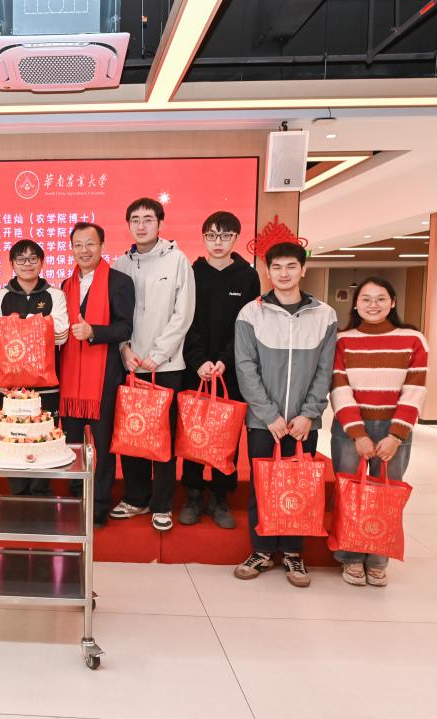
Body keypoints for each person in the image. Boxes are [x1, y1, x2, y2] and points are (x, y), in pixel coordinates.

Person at [233, 241, 337, 588]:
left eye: (291, 266)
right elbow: (245, 367)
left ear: (303, 270)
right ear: (267, 271)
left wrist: (309, 414)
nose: (284, 273)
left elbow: (325, 370)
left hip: (304, 423)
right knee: (261, 486)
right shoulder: (251, 313)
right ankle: (261, 550)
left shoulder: (324, 315)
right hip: (264, 421)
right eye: (276, 267)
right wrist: (268, 415)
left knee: (300, 487)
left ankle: (293, 552)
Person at [330, 277, 428, 588]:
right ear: (356, 304)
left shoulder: (413, 339)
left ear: (392, 302)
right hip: (350, 427)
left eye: (381, 298)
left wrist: (396, 435)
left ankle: (377, 560)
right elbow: (339, 388)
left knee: (387, 494)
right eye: (366, 299)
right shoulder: (342, 340)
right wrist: (358, 433)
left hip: (393, 428)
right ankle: (350, 556)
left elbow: (415, 390)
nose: (373, 305)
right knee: (350, 494)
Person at [110, 197, 195, 532]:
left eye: (148, 219)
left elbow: (183, 314)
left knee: (162, 438)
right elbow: (115, 314)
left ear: (160, 223)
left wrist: (158, 354)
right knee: (131, 434)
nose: (141, 225)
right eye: (135, 219)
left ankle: (162, 504)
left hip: (167, 365)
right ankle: (135, 498)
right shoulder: (121, 264)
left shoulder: (177, 260)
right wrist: (124, 349)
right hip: (130, 364)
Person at [180, 211, 260, 529]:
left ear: (236, 238)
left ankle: (219, 497)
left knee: (226, 434)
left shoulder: (247, 276)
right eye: (212, 235)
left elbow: (246, 325)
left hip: (231, 369)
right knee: (194, 431)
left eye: (225, 236)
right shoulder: (191, 273)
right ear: (203, 238)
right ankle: (193, 494)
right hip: (195, 368)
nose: (218, 242)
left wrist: (225, 359)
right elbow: (185, 321)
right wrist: (198, 360)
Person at [60, 222, 134, 527]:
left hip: (104, 377)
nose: (84, 250)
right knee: (72, 443)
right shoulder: (65, 285)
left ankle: (100, 503)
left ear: (102, 246)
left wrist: (94, 332)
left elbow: (125, 328)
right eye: (78, 245)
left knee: (102, 445)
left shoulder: (119, 282)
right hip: (69, 379)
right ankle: (76, 498)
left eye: (90, 244)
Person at [0, 238, 70, 496]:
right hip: (10, 384)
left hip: (47, 383)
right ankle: (18, 496)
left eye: (33, 258)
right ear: (12, 263)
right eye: (21, 259)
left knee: (43, 441)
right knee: (14, 440)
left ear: (42, 262)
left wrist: (17, 324)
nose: (27, 264)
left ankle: (42, 494)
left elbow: (61, 335)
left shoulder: (55, 295)